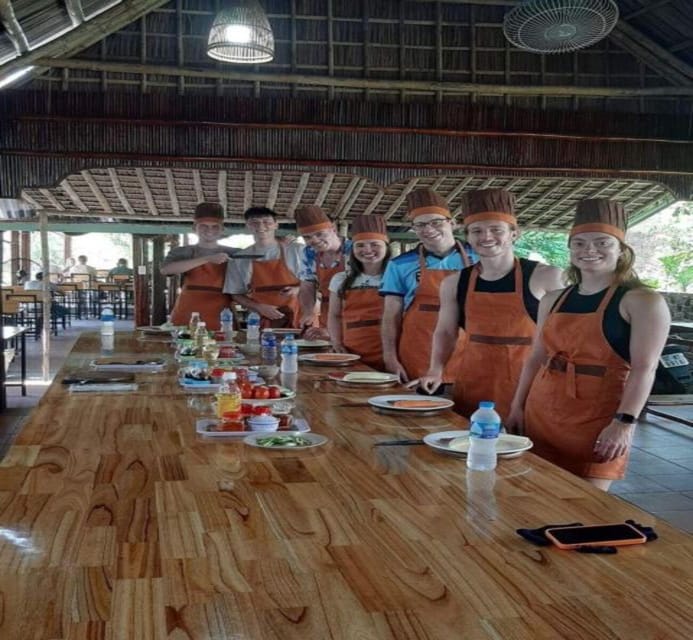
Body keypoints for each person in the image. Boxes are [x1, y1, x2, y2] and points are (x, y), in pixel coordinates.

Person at [506, 199, 670, 491]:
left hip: (597, 417)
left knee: (586, 505)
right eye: (579, 243)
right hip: (542, 410)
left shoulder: (642, 301)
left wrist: (624, 422)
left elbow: (645, 368)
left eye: (601, 242)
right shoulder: (552, 299)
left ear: (622, 250)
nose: (589, 250)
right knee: (534, 495)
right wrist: (517, 406)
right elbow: (535, 358)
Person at [420, 188, 563, 419]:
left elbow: (564, 337)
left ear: (514, 234)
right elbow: (445, 332)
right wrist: (435, 369)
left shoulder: (547, 276)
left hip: (530, 385)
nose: (486, 237)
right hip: (473, 383)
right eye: (477, 231)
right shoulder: (454, 283)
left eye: (496, 229)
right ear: (467, 236)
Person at [380, 188, 476, 382]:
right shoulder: (399, 264)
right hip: (418, 353)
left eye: (436, 222)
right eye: (420, 224)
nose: (428, 229)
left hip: (468, 354)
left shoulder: (479, 258)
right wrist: (390, 357)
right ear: (414, 228)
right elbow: (391, 315)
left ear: (452, 223)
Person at [327, 214, 390, 369]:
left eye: (375, 244)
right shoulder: (340, 279)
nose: (367, 250)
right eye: (360, 245)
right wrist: (336, 342)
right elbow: (334, 315)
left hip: (390, 348)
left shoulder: (397, 277)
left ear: (386, 247)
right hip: (351, 348)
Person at [224, 206, 303, 328]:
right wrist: (259, 308)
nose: (261, 227)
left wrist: (297, 290)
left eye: (267, 222)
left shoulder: (297, 250)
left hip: (300, 314)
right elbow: (235, 293)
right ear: (247, 226)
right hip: (262, 319)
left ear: (276, 225)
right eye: (254, 223)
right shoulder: (239, 258)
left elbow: (315, 283)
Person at [160, 202, 235, 331]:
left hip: (221, 311)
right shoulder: (182, 252)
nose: (209, 230)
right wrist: (207, 259)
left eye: (215, 226)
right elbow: (166, 269)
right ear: (195, 228)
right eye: (203, 226)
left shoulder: (234, 253)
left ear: (222, 229)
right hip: (187, 310)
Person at [296, 204, 351, 338]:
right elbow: (307, 287)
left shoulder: (355, 250)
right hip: (328, 313)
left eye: (320, 234)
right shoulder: (309, 253)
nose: (314, 240)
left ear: (333, 228)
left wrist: (334, 330)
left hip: (354, 313)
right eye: (307, 237)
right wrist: (308, 312)